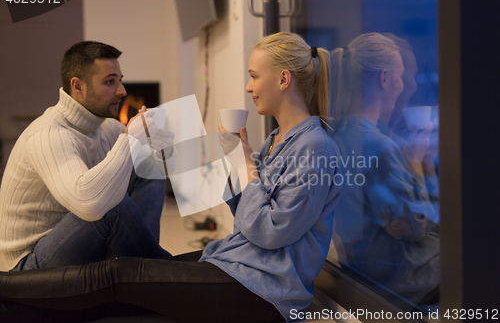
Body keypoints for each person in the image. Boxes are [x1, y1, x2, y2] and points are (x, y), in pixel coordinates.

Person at [0, 32, 342, 323]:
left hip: (264, 288)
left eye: (254, 76)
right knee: (128, 276)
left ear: (283, 80)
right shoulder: (276, 139)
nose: (248, 86)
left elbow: (268, 230)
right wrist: (232, 161)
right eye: (110, 81)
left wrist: (244, 167)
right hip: (242, 265)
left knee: (118, 275)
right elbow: (249, 217)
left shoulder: (314, 148)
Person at [0, 41, 175, 272]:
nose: (122, 90)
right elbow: (90, 204)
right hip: (27, 265)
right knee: (110, 204)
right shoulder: (49, 134)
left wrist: (161, 148)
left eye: (120, 80)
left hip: (69, 240)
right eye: (110, 81)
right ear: (78, 86)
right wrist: (130, 139)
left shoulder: (105, 128)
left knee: (148, 162)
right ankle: (159, 271)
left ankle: (141, 268)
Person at [330, 33, 439, 304]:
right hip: (398, 277)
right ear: (386, 78)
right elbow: (414, 225)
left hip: (361, 269)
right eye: (401, 77)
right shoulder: (379, 145)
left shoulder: (339, 134)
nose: (403, 87)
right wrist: (417, 161)